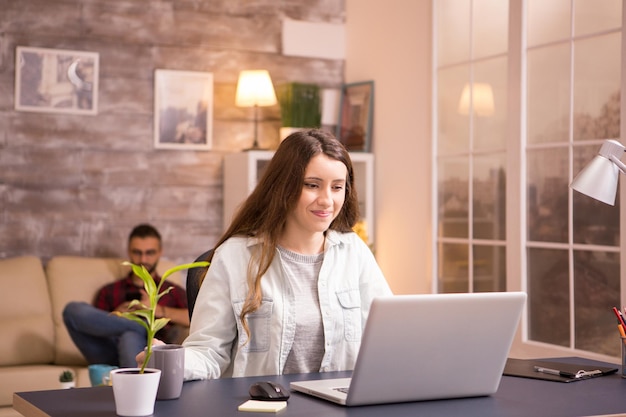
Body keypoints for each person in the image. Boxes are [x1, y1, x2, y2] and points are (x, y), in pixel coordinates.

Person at [139, 129, 392, 380]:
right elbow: (208, 352)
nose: (327, 200)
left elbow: (389, 340)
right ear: (284, 187)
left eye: (337, 187)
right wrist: (170, 359)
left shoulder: (354, 252)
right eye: (312, 185)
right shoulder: (234, 257)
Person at [63, 224, 189, 367]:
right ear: (129, 252)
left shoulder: (171, 290)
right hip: (109, 353)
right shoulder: (109, 291)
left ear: (160, 252)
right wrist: (117, 316)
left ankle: (138, 330)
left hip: (149, 355)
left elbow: (193, 319)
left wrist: (157, 310)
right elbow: (95, 326)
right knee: (72, 310)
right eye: (137, 252)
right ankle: (138, 326)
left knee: (130, 336)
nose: (143, 259)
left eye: (150, 253)